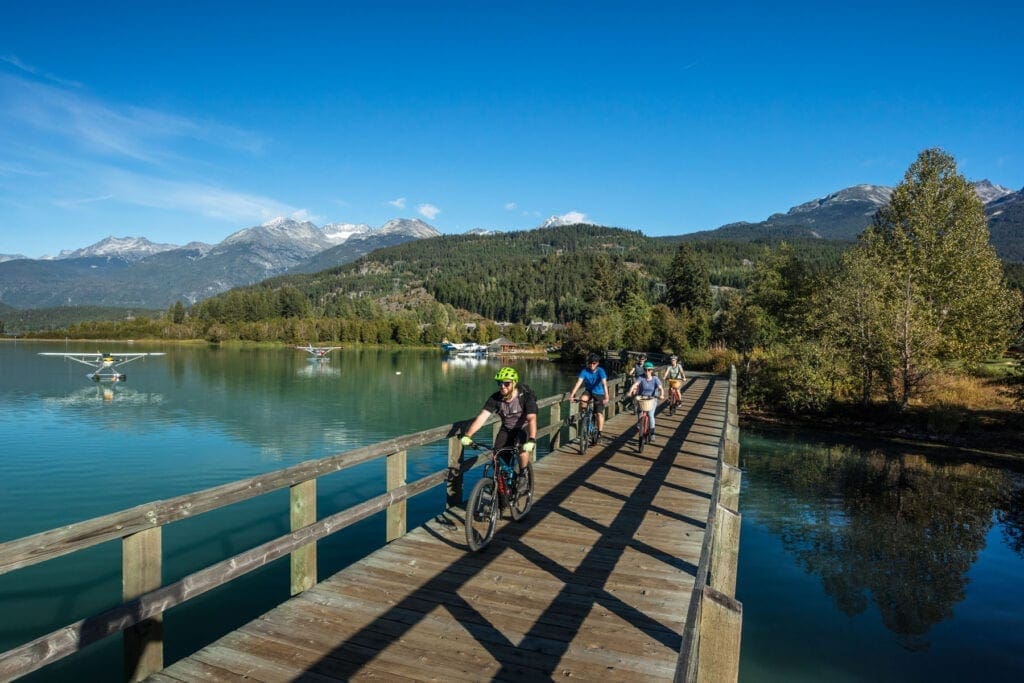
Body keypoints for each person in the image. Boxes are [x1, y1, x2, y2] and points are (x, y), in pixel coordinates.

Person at [460, 367, 538, 479]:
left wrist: (531, 439)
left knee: (522, 449)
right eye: (499, 383)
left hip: (524, 427)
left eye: (506, 383)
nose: (502, 386)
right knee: (496, 455)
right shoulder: (496, 398)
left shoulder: (525, 397)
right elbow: (482, 417)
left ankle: (523, 473)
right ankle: (501, 485)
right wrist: (468, 435)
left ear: (514, 383)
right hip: (506, 428)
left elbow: (532, 418)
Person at [568, 353, 610, 441]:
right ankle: (584, 416)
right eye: (590, 363)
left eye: (594, 363)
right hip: (589, 391)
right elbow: (578, 383)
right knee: (583, 399)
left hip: (599, 393)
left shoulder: (600, 371)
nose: (591, 365)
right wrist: (572, 395)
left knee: (598, 413)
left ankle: (599, 432)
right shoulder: (585, 371)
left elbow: (604, 384)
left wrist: (606, 396)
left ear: (597, 363)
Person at [628, 361, 664, 443]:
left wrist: (661, 395)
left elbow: (660, 388)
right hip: (642, 397)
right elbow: (635, 385)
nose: (647, 372)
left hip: (652, 398)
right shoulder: (641, 377)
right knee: (640, 413)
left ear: (652, 370)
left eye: (649, 370)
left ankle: (652, 433)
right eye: (645, 370)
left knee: (651, 415)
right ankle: (640, 424)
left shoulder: (655, 379)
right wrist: (630, 392)